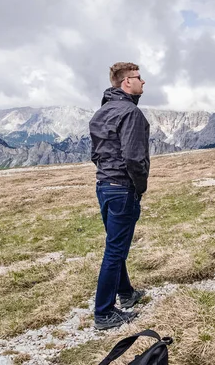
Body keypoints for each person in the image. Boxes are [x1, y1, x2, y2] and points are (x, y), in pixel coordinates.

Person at [89, 62, 150, 330]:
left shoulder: (100, 113)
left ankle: (126, 294)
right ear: (127, 82)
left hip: (103, 186)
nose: (143, 82)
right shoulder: (131, 113)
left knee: (116, 244)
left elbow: (95, 154)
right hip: (122, 188)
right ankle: (103, 313)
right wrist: (139, 186)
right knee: (114, 251)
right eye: (139, 78)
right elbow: (134, 158)